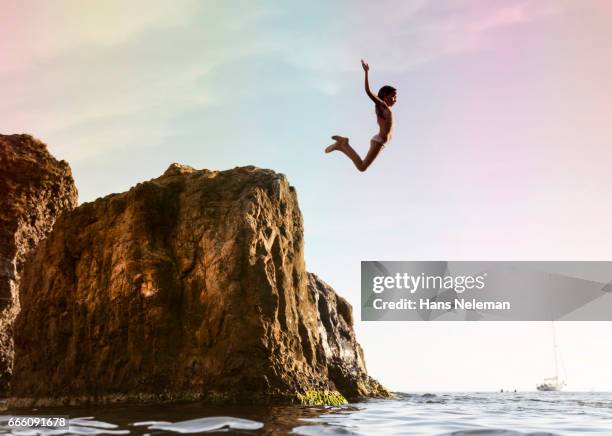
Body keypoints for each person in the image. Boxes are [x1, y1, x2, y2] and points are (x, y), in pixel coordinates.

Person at [325, 59, 397, 172]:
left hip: (381, 142)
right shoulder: (383, 106)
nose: (395, 100)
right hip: (379, 140)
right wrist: (366, 73)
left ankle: (341, 146)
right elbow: (368, 91)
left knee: (362, 167)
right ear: (385, 95)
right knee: (362, 167)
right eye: (393, 96)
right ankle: (344, 145)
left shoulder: (382, 109)